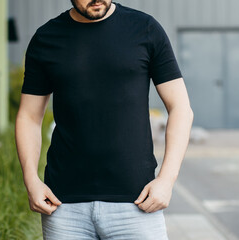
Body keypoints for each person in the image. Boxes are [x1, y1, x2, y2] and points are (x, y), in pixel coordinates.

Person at [15, 0, 194, 239]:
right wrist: (31, 180)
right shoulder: (47, 38)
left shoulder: (145, 29)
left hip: (137, 202)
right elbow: (29, 116)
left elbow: (181, 107)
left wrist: (166, 180)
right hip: (63, 205)